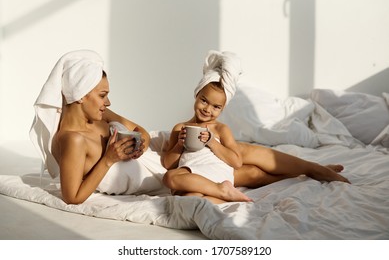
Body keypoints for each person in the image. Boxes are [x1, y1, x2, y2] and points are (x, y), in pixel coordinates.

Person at [162, 50, 350, 204]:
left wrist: (212, 142)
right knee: (193, 195)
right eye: (204, 101)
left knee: (255, 167)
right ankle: (301, 175)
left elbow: (235, 160)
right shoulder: (180, 127)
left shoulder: (220, 129)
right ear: (196, 96)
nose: (208, 109)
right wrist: (179, 144)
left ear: (222, 108)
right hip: (198, 174)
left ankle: (314, 170)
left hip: (221, 167)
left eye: (216, 106)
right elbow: (169, 163)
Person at [29, 50, 151, 204]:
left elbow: (143, 132)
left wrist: (141, 147)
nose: (108, 103)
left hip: (155, 157)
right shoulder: (73, 139)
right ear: (80, 95)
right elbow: (72, 198)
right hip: (155, 176)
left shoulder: (101, 114)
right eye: (102, 95)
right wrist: (108, 159)